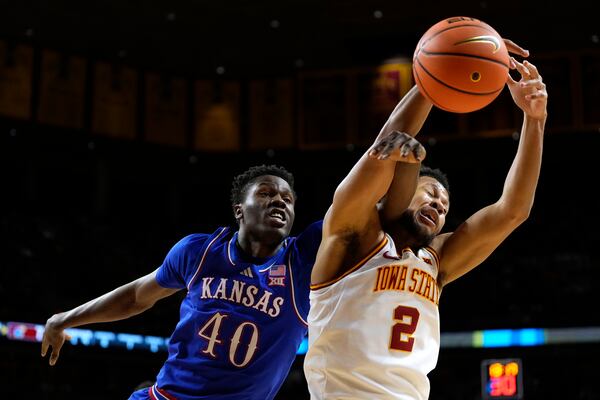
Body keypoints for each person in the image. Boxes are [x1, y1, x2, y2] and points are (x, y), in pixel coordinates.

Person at [304, 54, 547, 400]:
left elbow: (512, 211)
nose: (439, 205)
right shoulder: (352, 238)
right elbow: (386, 145)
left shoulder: (436, 263)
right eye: (431, 193)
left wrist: (534, 119)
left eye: (445, 207)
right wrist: (436, 77)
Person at [41, 164, 322, 400]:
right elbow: (136, 296)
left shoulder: (303, 259)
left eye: (288, 199)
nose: (279, 201)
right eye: (265, 193)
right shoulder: (199, 251)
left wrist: (370, 155)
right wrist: (63, 319)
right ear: (239, 210)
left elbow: (351, 212)